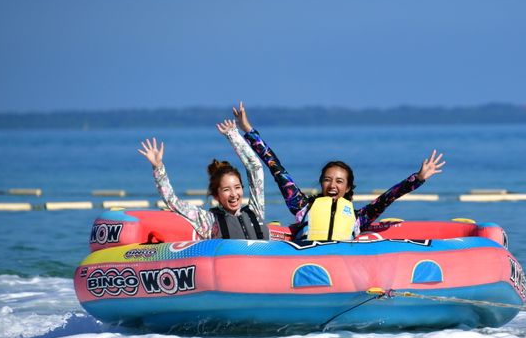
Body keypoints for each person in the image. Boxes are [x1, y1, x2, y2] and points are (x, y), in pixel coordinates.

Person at [231, 102, 445, 240]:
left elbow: (388, 198)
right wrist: (249, 130)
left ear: (348, 187)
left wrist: (417, 179)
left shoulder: (359, 217)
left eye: (339, 181)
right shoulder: (302, 207)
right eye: (327, 180)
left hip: (342, 269)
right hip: (304, 264)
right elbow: (276, 169)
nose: (332, 185)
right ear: (321, 182)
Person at [138, 120, 269, 240]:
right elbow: (172, 201)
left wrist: (233, 136)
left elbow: (255, 167)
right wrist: (158, 168)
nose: (234, 194)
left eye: (237, 187)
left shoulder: (256, 210)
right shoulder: (208, 221)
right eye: (226, 190)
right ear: (216, 195)